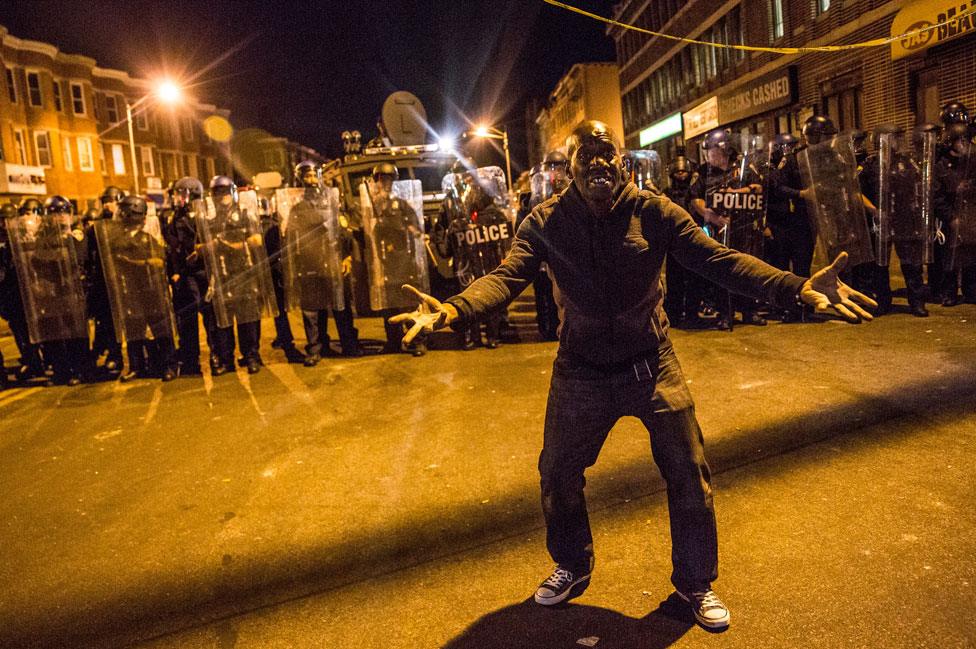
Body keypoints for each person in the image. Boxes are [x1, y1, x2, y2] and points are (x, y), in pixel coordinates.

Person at [390, 120, 875, 631]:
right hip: (580, 371)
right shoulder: (544, 222)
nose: (597, 162)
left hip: (652, 364)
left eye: (607, 152)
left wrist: (796, 287)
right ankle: (572, 566)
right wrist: (450, 311)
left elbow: (719, 260)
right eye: (585, 153)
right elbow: (506, 278)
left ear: (622, 161)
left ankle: (695, 582)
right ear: (568, 167)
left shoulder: (655, 212)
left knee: (689, 471)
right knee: (557, 473)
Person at [286, 160, 363, 365]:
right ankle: (316, 348)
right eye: (306, 177)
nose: (311, 181)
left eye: (313, 176)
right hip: (310, 264)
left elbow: (344, 231)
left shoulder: (332, 203)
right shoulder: (297, 209)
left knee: (341, 306)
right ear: (300, 180)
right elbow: (291, 240)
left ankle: (349, 344)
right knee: (312, 310)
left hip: (333, 261)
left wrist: (346, 256)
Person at [691, 129, 767, 329]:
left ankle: (750, 311)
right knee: (722, 271)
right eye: (707, 152)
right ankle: (726, 313)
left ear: (724, 150)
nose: (709, 156)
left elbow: (758, 188)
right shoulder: (703, 172)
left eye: (712, 152)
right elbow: (695, 199)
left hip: (744, 229)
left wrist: (734, 192)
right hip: (718, 230)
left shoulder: (741, 168)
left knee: (747, 269)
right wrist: (713, 217)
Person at [100, 196, 177, 381]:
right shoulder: (116, 240)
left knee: (160, 329)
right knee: (134, 329)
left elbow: (159, 262)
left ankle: (169, 365)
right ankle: (136, 366)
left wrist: (137, 263)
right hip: (129, 290)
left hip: (150, 290)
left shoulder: (147, 239)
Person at [857, 125, 930, 317]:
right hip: (881, 221)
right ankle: (883, 301)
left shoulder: (907, 163)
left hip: (904, 220)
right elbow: (856, 192)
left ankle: (916, 302)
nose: (898, 142)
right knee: (880, 264)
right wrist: (874, 210)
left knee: (911, 264)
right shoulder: (870, 165)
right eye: (894, 138)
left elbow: (920, 186)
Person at [201, 176, 269, 374]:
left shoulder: (245, 214)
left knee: (248, 318)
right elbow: (199, 246)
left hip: (244, 271)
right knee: (224, 320)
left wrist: (237, 246)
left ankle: (251, 356)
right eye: (217, 192)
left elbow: (257, 239)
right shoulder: (209, 220)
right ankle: (227, 359)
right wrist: (212, 245)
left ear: (232, 192)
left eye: (225, 191)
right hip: (221, 274)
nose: (222, 196)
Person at [363, 162, 427, 356]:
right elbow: (369, 233)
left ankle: (417, 340)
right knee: (389, 304)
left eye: (389, 179)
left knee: (409, 302)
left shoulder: (401, 204)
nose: (386, 183)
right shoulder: (371, 206)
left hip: (404, 259)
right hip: (385, 261)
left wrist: (410, 231)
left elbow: (415, 228)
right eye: (382, 180)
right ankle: (393, 341)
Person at [162, 177, 211, 376]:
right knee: (186, 320)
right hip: (183, 275)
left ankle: (218, 354)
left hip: (203, 272)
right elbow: (173, 248)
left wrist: (201, 251)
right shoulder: (174, 217)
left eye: (180, 194)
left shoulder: (204, 215)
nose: (176, 198)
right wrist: (173, 272)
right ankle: (191, 360)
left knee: (210, 317)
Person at [663, 152, 705, 327]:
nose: (681, 175)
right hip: (674, 242)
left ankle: (692, 313)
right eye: (678, 172)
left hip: (693, 239)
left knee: (695, 279)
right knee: (675, 281)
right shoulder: (666, 193)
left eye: (684, 172)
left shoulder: (694, 191)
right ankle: (673, 313)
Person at [87, 186, 125, 375]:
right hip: (105, 279)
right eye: (105, 202)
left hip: (125, 277)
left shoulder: (127, 221)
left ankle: (142, 357)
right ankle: (114, 355)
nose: (108, 205)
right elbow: (91, 254)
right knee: (108, 320)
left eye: (111, 201)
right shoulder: (98, 227)